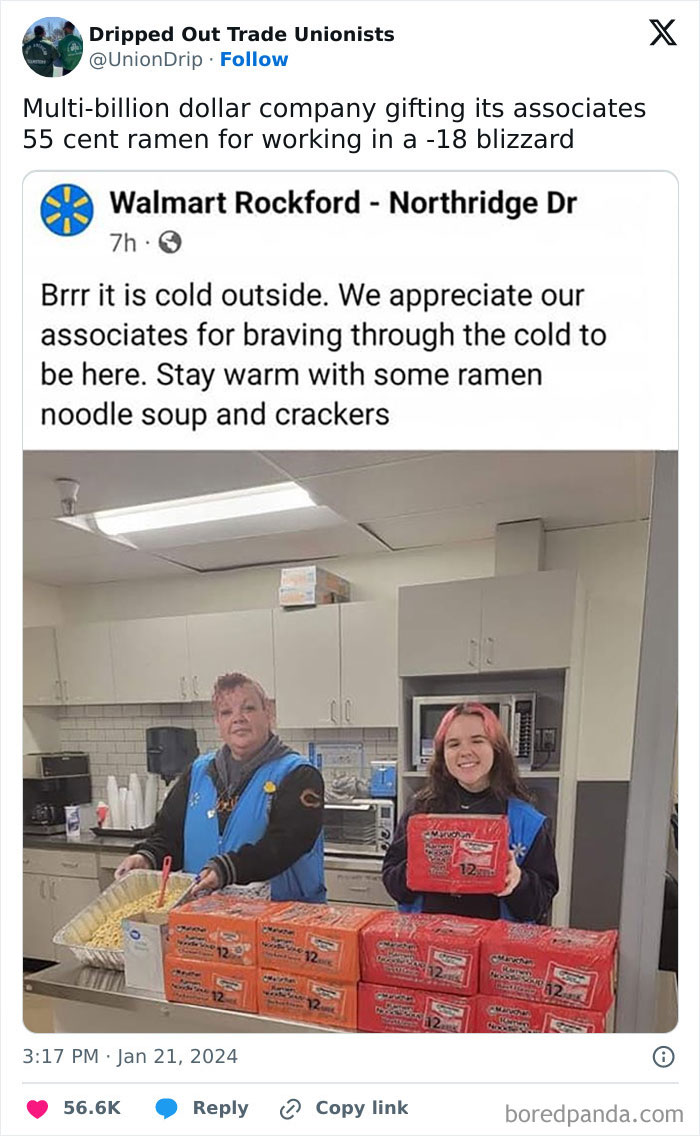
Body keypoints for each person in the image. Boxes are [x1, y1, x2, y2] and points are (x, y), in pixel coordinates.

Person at [114, 672, 326, 903]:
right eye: (227, 712)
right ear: (218, 723)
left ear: (269, 714)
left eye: (249, 708)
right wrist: (147, 856)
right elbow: (168, 835)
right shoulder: (197, 772)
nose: (238, 718)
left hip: (281, 925)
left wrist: (228, 869)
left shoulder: (299, 775)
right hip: (207, 921)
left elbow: (285, 844)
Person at [382, 702, 558, 922]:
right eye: (453, 744)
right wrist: (418, 867)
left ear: (496, 748)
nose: (465, 752)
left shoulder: (527, 822)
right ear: (442, 754)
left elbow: (540, 905)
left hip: (497, 953)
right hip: (428, 946)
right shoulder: (419, 812)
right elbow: (392, 882)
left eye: (477, 740)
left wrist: (517, 881)